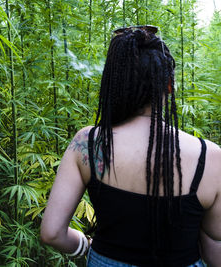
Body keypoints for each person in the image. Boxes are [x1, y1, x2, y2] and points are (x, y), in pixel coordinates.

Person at [40, 25, 221, 267]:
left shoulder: (89, 142)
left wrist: (86, 246)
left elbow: (52, 233)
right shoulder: (209, 157)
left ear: (115, 82)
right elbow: (214, 248)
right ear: (168, 84)